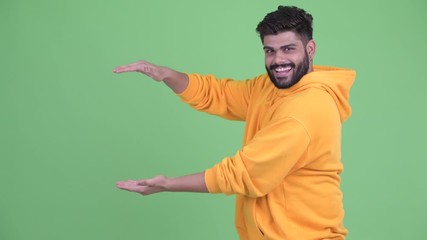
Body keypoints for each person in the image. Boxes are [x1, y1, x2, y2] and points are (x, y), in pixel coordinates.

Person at [114, 5, 355, 240]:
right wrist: (167, 75)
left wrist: (167, 184)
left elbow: (243, 172)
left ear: (310, 49)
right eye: (270, 51)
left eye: (288, 49)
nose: (278, 60)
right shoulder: (269, 87)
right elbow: (220, 94)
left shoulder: (305, 111)